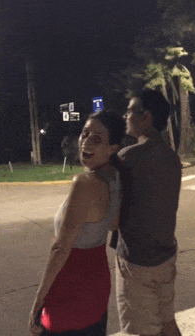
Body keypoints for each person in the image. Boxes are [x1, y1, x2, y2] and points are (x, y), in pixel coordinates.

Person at [28, 110, 125, 336]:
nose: (86, 142)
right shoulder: (115, 177)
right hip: (98, 281)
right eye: (85, 134)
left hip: (71, 284)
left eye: (97, 138)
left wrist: (39, 299)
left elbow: (61, 247)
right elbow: (113, 224)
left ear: (113, 148)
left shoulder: (84, 182)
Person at [110, 89, 182, 336]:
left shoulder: (126, 158)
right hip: (166, 257)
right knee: (167, 324)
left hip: (136, 262)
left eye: (130, 111)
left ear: (146, 118)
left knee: (138, 331)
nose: (125, 116)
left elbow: (112, 220)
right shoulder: (172, 158)